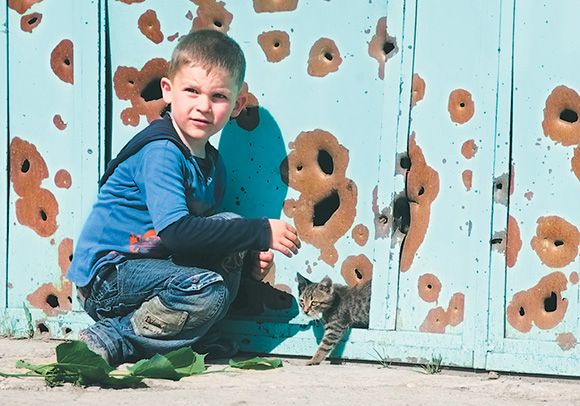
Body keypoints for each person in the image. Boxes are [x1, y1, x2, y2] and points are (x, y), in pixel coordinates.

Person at [67, 29, 301, 366]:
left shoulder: (213, 166)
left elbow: (203, 239)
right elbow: (177, 233)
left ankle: (184, 339)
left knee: (229, 228)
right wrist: (260, 231)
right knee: (209, 289)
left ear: (237, 105)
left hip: (154, 274)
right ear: (168, 90)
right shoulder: (162, 151)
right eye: (192, 91)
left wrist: (248, 259)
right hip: (110, 278)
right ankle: (112, 337)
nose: (203, 106)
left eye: (218, 96)